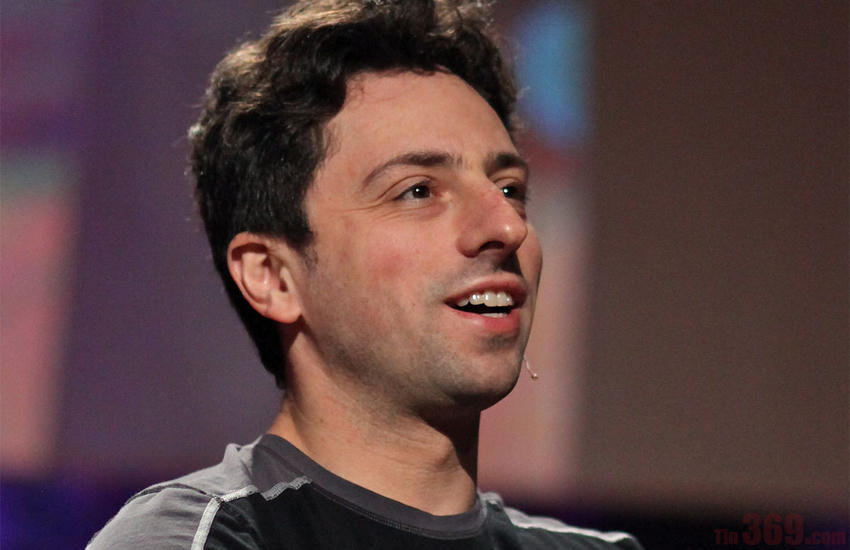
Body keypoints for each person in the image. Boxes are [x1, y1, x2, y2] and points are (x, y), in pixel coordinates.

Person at [88, 1, 642, 548]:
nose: (508, 226)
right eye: (418, 191)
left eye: (510, 189)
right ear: (272, 276)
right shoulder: (198, 539)